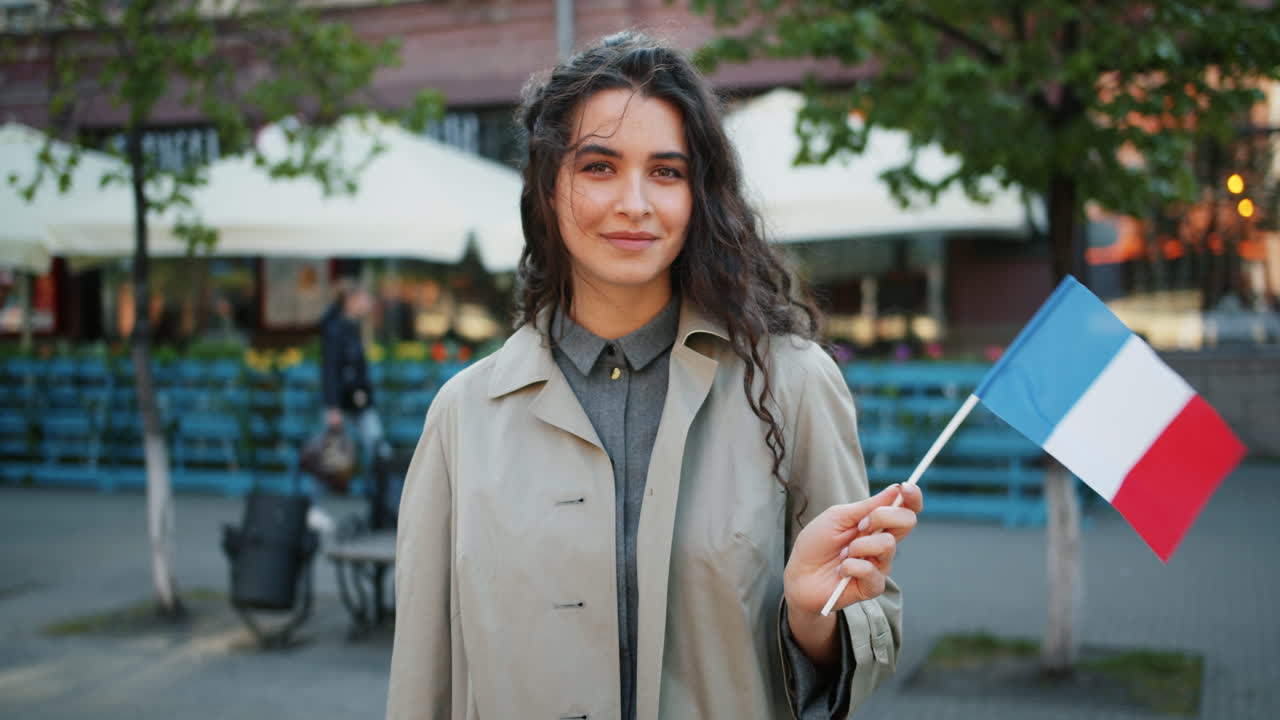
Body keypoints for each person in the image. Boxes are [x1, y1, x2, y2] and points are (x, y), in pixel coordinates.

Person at [387, 31, 923, 720]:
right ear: (549, 187)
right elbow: (421, 681)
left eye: (667, 172)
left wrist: (809, 613)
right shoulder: (463, 415)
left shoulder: (791, 384)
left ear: (700, 195)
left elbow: (866, 648)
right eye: (599, 167)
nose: (635, 203)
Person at [319, 279, 392, 498]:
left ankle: (384, 502)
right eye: (363, 298)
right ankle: (314, 509)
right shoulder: (335, 329)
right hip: (341, 403)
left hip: (358, 401)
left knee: (378, 449)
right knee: (329, 457)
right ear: (350, 301)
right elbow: (330, 370)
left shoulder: (353, 326)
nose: (367, 302)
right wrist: (332, 408)